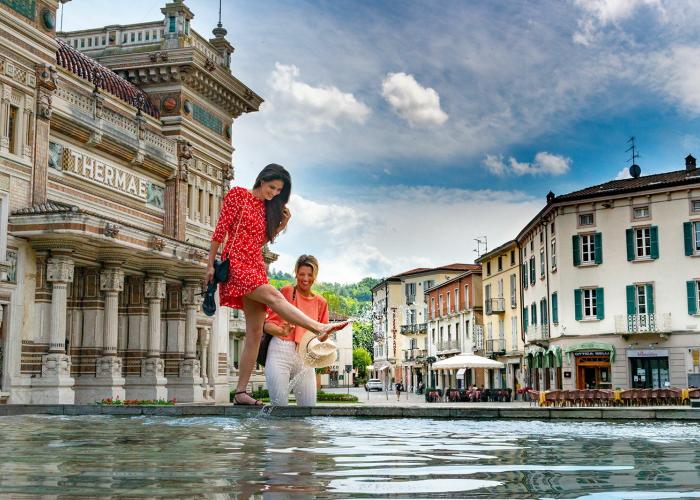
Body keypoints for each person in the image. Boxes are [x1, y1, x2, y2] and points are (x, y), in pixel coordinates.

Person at [206, 164, 347, 406]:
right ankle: (317, 328)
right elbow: (221, 230)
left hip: (255, 264)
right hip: (236, 263)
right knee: (275, 296)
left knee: (254, 332)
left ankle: (240, 393)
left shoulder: (266, 209)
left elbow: (258, 240)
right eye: (272, 187)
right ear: (261, 180)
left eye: (279, 191)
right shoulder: (238, 194)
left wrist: (280, 226)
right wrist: (210, 264)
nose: (274, 193)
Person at [263, 255, 328, 406]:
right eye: (301, 274)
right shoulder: (287, 292)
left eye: (310, 275)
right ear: (296, 273)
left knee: (309, 409)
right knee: (279, 408)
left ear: (315, 276)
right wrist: (281, 331)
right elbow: (266, 325)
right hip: (281, 350)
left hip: (305, 357)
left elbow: (323, 335)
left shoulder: (321, 302)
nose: (305, 279)